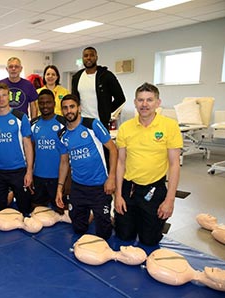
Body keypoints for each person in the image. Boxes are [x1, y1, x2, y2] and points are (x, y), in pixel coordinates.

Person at [114, 82, 182, 246]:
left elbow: (174, 165)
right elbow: (121, 163)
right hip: (129, 188)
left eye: (149, 100)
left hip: (154, 189)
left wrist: (169, 200)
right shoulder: (125, 128)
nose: (144, 104)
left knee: (149, 240)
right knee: (124, 236)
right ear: (135, 103)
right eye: (140, 100)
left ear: (158, 103)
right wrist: (117, 195)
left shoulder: (169, 126)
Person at [55, 94, 117, 240]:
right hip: (78, 187)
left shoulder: (92, 125)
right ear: (62, 111)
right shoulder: (62, 135)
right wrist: (59, 188)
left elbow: (113, 150)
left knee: (104, 233)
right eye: (65, 108)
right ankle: (90, 214)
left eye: (72, 107)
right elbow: (64, 162)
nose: (69, 111)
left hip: (99, 186)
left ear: (79, 108)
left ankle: (104, 215)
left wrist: (111, 178)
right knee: (78, 228)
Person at [0, 82, 33, 215]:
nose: (1, 98)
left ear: (9, 96)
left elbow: (27, 145)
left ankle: (13, 196)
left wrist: (29, 171)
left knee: (25, 210)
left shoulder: (20, 117)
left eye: (4, 95)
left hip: (19, 170)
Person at [71, 46, 126, 129]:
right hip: (81, 123)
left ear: (96, 57)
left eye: (91, 55)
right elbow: (74, 99)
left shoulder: (106, 76)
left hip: (100, 123)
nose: (88, 58)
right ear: (82, 58)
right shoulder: (77, 77)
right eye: (86, 56)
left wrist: (106, 110)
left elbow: (120, 98)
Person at [30, 89, 65, 211]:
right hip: (38, 176)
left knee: (62, 212)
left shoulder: (63, 123)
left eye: (48, 102)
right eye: (42, 103)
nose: (45, 106)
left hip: (58, 177)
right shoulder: (33, 124)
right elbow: (31, 150)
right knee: (37, 211)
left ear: (54, 103)